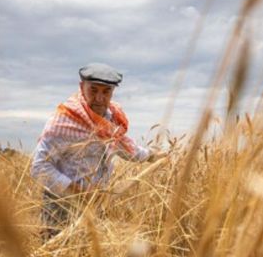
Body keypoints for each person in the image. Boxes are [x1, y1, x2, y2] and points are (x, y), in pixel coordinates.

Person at [30, 63, 164, 240]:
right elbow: (39, 167)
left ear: (112, 92)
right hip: (60, 207)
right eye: (93, 90)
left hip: (96, 206)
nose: (99, 98)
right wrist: (78, 193)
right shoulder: (64, 120)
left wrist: (152, 156)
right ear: (81, 88)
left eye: (106, 91)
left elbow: (125, 147)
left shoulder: (110, 119)